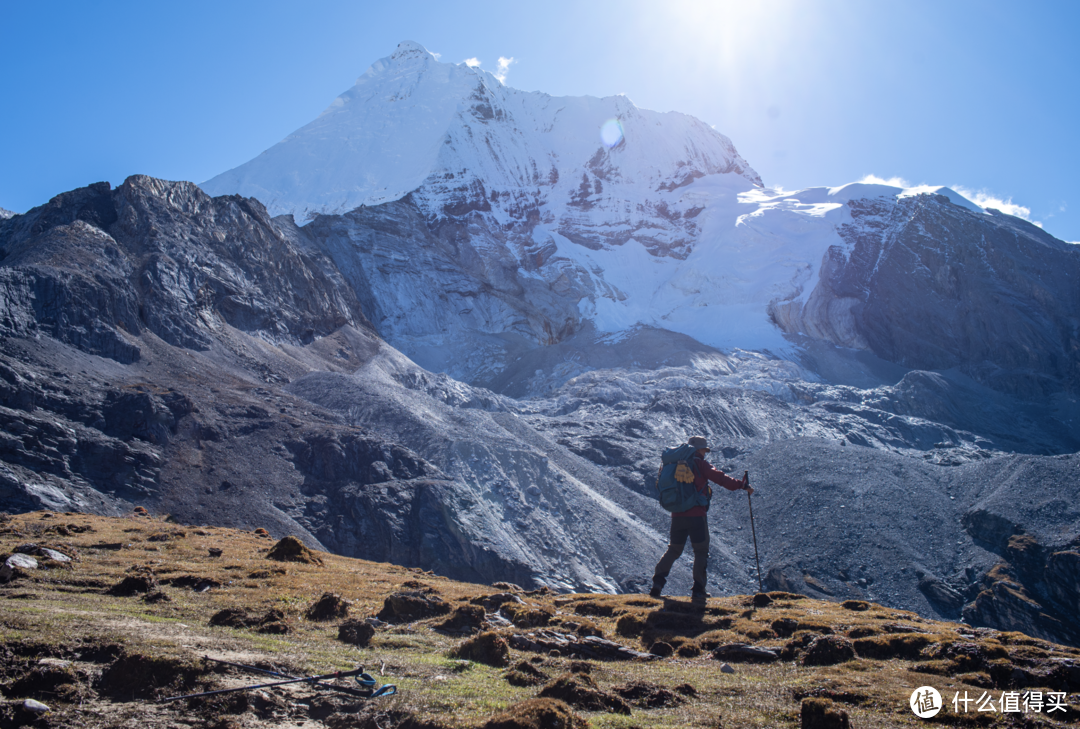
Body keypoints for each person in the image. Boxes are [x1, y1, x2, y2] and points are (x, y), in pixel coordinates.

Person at [649, 435, 752, 601]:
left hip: (677, 515)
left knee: (674, 549)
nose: (705, 453)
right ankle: (698, 590)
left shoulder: (675, 464)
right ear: (699, 450)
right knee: (701, 551)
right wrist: (741, 485)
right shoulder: (700, 464)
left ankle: (658, 583)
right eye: (704, 450)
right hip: (697, 516)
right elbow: (720, 478)